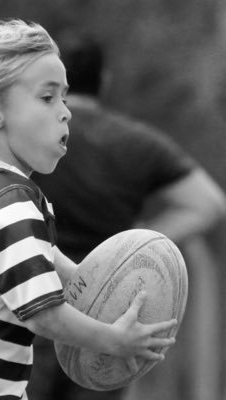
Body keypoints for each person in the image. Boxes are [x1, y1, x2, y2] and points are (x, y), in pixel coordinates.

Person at [0, 37, 226, 400]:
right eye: (48, 98)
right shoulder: (7, 203)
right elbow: (44, 315)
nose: (66, 111)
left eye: (64, 96)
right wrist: (116, 340)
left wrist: (108, 278)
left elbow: (57, 261)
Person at [28, 42, 226, 400]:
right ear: (104, 81)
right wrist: (131, 251)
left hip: (35, 296)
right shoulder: (135, 141)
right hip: (109, 314)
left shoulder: (27, 135)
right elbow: (208, 204)